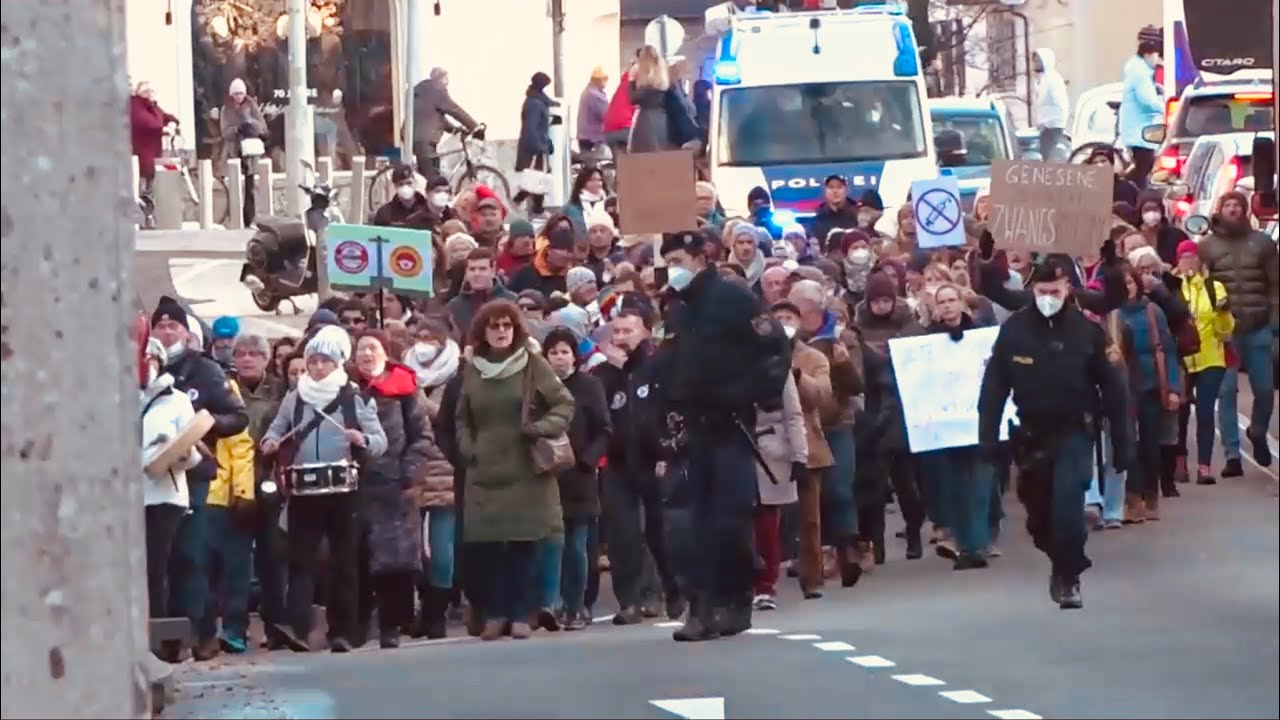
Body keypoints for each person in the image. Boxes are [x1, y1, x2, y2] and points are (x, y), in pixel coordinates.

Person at [657, 230, 792, 641]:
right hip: (693, 428)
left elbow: (773, 351)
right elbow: (669, 363)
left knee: (729, 521)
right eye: (667, 260)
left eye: (678, 258)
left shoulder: (733, 298)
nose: (671, 268)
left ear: (701, 257)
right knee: (687, 523)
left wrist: (745, 395)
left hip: (731, 424)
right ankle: (699, 605)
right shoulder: (678, 307)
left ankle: (734, 600)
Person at [978, 256, 1129, 609]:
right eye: (1042, 291)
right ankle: (1058, 555)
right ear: (1033, 290)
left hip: (1075, 431)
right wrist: (988, 439)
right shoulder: (1014, 331)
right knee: (1039, 516)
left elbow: (1115, 391)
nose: (1049, 297)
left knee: (1068, 507)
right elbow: (994, 389)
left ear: (1067, 290)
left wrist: (1123, 444)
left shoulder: (1087, 331)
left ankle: (1069, 575)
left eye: (1055, 291)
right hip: (1032, 436)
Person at [260, 325, 388, 652]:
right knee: (302, 561)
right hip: (304, 488)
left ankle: (343, 632)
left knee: (344, 562)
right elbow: (277, 428)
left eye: (324, 362)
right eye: (313, 360)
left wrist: (363, 440)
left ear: (339, 363)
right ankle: (297, 628)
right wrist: (270, 441)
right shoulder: (295, 397)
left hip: (345, 489)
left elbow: (379, 441)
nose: (317, 368)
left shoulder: (353, 397)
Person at [456, 300, 574, 641]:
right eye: (494, 325)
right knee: (490, 548)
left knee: (524, 545)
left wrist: (541, 427)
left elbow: (564, 403)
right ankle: (496, 613)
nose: (501, 331)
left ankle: (522, 613)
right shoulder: (473, 368)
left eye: (507, 325)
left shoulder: (532, 364)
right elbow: (462, 416)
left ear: (516, 329)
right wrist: (468, 447)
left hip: (525, 466)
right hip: (485, 470)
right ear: (482, 331)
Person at [149, 297, 249, 662]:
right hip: (154, 477)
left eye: (173, 326)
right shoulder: (144, 372)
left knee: (192, 557)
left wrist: (202, 428)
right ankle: (165, 638)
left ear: (186, 334)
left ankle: (201, 632)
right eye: (160, 326)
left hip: (193, 474)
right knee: (161, 560)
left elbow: (237, 417)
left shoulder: (204, 370)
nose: (165, 332)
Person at [595, 307, 682, 624]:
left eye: (627, 331)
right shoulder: (603, 375)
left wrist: (668, 453)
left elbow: (671, 413)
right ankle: (628, 600)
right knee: (623, 534)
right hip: (618, 463)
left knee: (660, 532)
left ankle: (673, 590)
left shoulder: (659, 370)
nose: (620, 338)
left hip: (655, 460)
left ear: (645, 332)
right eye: (616, 332)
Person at [351, 331, 434, 649]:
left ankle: (391, 625)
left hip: (394, 486)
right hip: (355, 486)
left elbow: (422, 436)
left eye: (373, 348)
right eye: (361, 348)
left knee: (396, 563)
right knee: (355, 559)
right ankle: (354, 626)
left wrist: (409, 472)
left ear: (386, 353)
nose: (367, 354)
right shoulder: (345, 388)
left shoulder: (404, 389)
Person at [790, 280, 864, 586]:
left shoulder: (842, 337)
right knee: (808, 496)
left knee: (839, 489)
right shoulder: (788, 343)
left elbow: (856, 385)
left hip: (836, 422)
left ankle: (848, 548)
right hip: (803, 425)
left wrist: (844, 364)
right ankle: (819, 552)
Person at [1199, 190, 1278, 474]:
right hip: (1225, 331)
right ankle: (1233, 455)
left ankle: (1257, 432)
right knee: (1227, 391)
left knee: (1265, 389)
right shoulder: (1206, 246)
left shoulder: (1263, 243)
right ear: (1220, 209)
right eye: (1228, 205)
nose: (1232, 209)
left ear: (1245, 210)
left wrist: (1274, 321)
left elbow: (1274, 285)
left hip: (1258, 326)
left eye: (1237, 205)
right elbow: (1202, 286)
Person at [541, 328, 612, 630]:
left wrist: (587, 460)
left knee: (577, 545)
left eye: (564, 351)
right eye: (554, 352)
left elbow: (604, 429)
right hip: (547, 476)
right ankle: (552, 604)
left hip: (580, 476)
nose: (559, 357)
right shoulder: (538, 388)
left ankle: (577, 604)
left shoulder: (589, 386)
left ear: (574, 355)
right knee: (551, 544)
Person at [139, 334, 200, 655]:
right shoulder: (120, 399)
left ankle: (158, 638)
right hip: (130, 495)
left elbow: (194, 451)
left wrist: (176, 453)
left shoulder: (175, 399)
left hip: (165, 493)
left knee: (156, 565)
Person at [749, 346, 806, 611]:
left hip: (770, 448)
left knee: (767, 523)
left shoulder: (776, 369)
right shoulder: (720, 364)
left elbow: (793, 414)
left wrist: (799, 455)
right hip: (732, 448)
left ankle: (765, 585)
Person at [1173, 240, 1233, 485]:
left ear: (1200, 261)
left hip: (1210, 358)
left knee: (1206, 412)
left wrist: (1223, 313)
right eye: (1184, 257)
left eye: (1193, 257)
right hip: (1182, 358)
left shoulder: (1214, 287)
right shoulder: (1173, 287)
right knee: (1180, 413)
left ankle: (1204, 466)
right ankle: (1179, 463)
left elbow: (1226, 330)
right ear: (1178, 261)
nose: (1189, 261)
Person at [411, 67, 479, 179]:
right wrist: (474, 126)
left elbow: (436, 118)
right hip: (426, 142)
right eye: (446, 79)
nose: (447, 83)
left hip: (419, 140)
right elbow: (454, 109)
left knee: (432, 176)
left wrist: (454, 129)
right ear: (442, 79)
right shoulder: (437, 89)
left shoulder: (423, 91)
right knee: (432, 182)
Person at [1118, 25, 1164, 190]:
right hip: (1141, 132)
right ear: (1148, 54)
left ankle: (1129, 190)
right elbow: (1147, 100)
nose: (1158, 60)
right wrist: (1164, 108)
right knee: (1143, 169)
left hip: (1138, 130)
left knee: (1141, 168)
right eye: (1156, 56)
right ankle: (1134, 196)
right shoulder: (1140, 73)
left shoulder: (1137, 69)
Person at [446, 248, 518, 337]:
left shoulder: (512, 301)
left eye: (482, 269)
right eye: (472, 269)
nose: (476, 274)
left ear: (493, 270)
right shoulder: (454, 306)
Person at [513, 72, 558, 216]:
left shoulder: (536, 100)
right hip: (534, 148)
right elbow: (531, 127)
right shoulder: (535, 103)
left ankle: (533, 207)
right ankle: (526, 205)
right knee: (536, 180)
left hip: (537, 145)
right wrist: (540, 147)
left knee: (537, 179)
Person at [130, 81, 178, 194]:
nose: (151, 94)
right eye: (148, 91)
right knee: (143, 185)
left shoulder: (153, 106)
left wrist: (172, 123)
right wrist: (164, 129)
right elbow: (146, 123)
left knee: (152, 184)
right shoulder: (135, 106)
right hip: (143, 153)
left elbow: (168, 117)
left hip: (154, 152)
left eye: (152, 91)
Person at [508, 226, 575, 297]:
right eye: (561, 249)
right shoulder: (524, 274)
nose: (565, 255)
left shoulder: (570, 279)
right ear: (549, 250)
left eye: (569, 251)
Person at [372, 164, 437, 230]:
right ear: (395, 186)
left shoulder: (430, 210)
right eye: (401, 184)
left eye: (409, 183)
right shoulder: (384, 214)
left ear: (415, 182)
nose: (405, 187)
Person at [219, 78, 268, 166]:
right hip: (233, 149)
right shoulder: (225, 109)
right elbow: (224, 132)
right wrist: (237, 129)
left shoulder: (252, 105)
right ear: (231, 94)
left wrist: (252, 127)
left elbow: (263, 127)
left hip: (251, 147)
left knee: (251, 172)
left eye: (241, 93)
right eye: (236, 94)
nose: (238, 96)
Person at [1032, 49, 1069, 161]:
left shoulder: (1053, 79)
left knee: (1052, 157)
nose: (1035, 64)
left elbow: (1060, 103)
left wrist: (1053, 122)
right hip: (1044, 127)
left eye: (1038, 61)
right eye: (1034, 61)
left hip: (1053, 127)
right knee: (1045, 156)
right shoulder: (1041, 80)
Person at [563, 165, 610, 238]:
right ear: (583, 182)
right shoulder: (570, 208)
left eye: (599, 180)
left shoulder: (609, 204)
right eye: (593, 180)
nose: (597, 183)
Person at [812, 175, 860, 244]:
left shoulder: (856, 215)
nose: (835, 191)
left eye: (839, 187)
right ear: (825, 191)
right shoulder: (818, 219)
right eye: (831, 187)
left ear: (846, 190)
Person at [577, 67, 610, 154]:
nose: (606, 81)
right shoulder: (595, 95)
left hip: (584, 136)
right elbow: (606, 115)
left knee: (588, 163)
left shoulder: (587, 91)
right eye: (605, 79)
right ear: (598, 80)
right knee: (595, 162)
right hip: (594, 137)